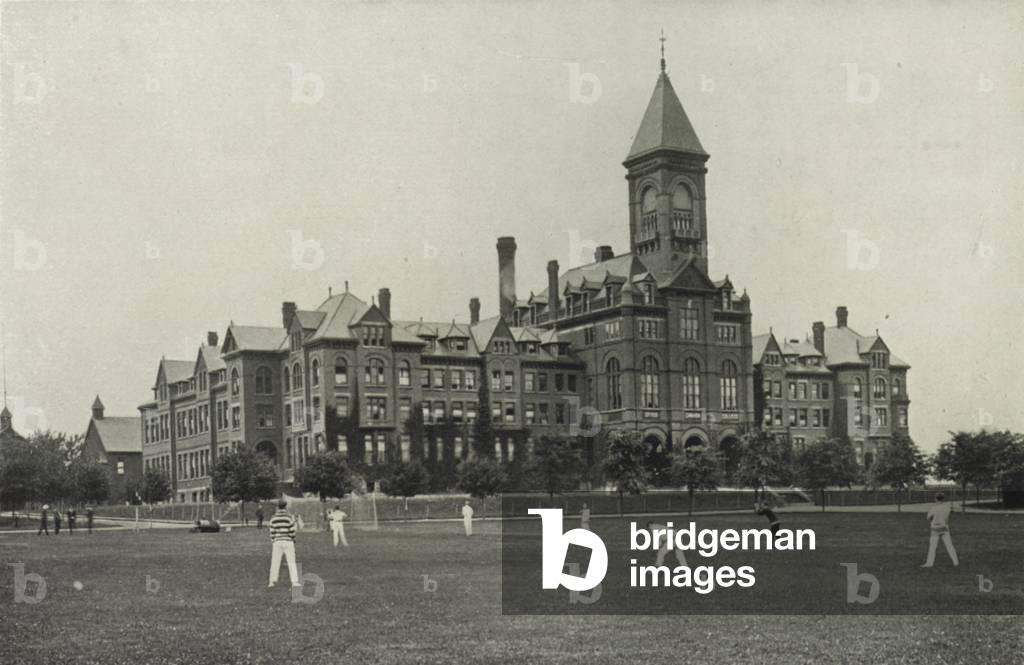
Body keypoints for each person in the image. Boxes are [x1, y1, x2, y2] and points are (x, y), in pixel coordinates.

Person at [268, 500, 300, 588]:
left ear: (278, 507)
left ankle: (272, 581)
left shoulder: (273, 518)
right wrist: (293, 538)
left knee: (275, 562)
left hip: (277, 541)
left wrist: (273, 540)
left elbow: (272, 531)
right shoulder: (289, 517)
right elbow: (292, 530)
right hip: (288, 541)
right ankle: (294, 582)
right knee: (291, 562)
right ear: (285, 507)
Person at [922, 493, 959, 568]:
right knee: (949, 545)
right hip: (944, 527)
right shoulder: (947, 508)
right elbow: (947, 518)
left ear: (935, 499)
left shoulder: (933, 508)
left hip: (935, 528)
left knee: (933, 546)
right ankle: (956, 562)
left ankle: (929, 563)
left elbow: (928, 518)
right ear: (943, 499)